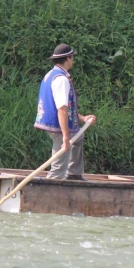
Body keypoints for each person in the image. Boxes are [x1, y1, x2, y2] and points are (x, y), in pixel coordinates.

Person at [34, 44, 96, 180]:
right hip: (56, 125)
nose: (73, 60)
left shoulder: (51, 74)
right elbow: (62, 109)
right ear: (67, 58)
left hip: (53, 122)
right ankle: (48, 190)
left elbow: (65, 108)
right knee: (59, 166)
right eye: (72, 57)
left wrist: (83, 118)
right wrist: (66, 136)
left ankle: (74, 174)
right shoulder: (61, 80)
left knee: (78, 137)